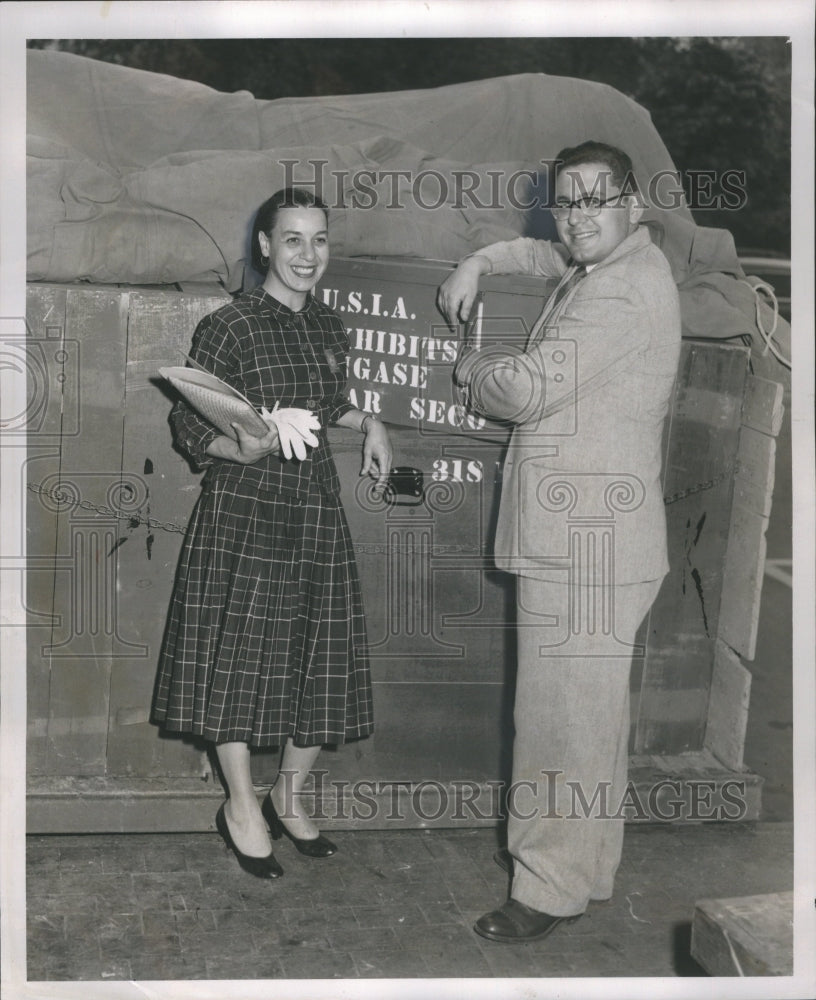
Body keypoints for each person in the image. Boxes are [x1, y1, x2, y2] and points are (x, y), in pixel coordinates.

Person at [438, 141, 681, 942]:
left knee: (554, 727)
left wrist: (469, 365)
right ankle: (586, 870)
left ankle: (544, 890)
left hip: (583, 549)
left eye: (594, 199)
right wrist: (479, 258)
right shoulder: (607, 262)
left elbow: (528, 391)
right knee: (588, 728)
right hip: (602, 541)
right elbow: (541, 249)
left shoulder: (620, 294)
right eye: (565, 200)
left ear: (633, 205)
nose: (577, 216)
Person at [152, 187, 392, 878]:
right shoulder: (228, 325)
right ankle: (240, 805)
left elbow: (326, 400)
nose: (308, 255)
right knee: (238, 660)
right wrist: (241, 448)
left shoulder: (329, 326)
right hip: (244, 511)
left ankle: (289, 794)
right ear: (264, 245)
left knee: (318, 657)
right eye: (293, 240)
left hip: (314, 508)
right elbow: (190, 422)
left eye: (319, 240)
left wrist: (367, 422)